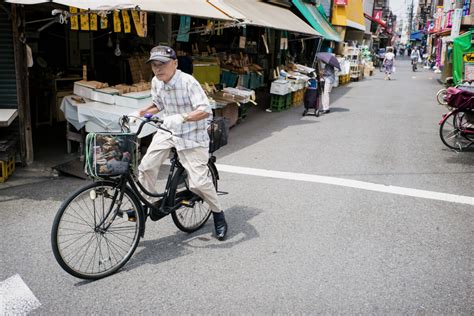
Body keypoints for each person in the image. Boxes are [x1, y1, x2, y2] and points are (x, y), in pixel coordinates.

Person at [136, 46, 228, 240]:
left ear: (175, 64)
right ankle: (149, 205)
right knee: (146, 166)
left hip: (192, 133)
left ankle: (218, 214)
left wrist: (183, 117)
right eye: (154, 64)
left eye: (163, 64)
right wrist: (143, 112)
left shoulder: (188, 82)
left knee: (198, 183)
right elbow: (158, 104)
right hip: (168, 130)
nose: (158, 68)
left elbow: (205, 110)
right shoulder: (156, 82)